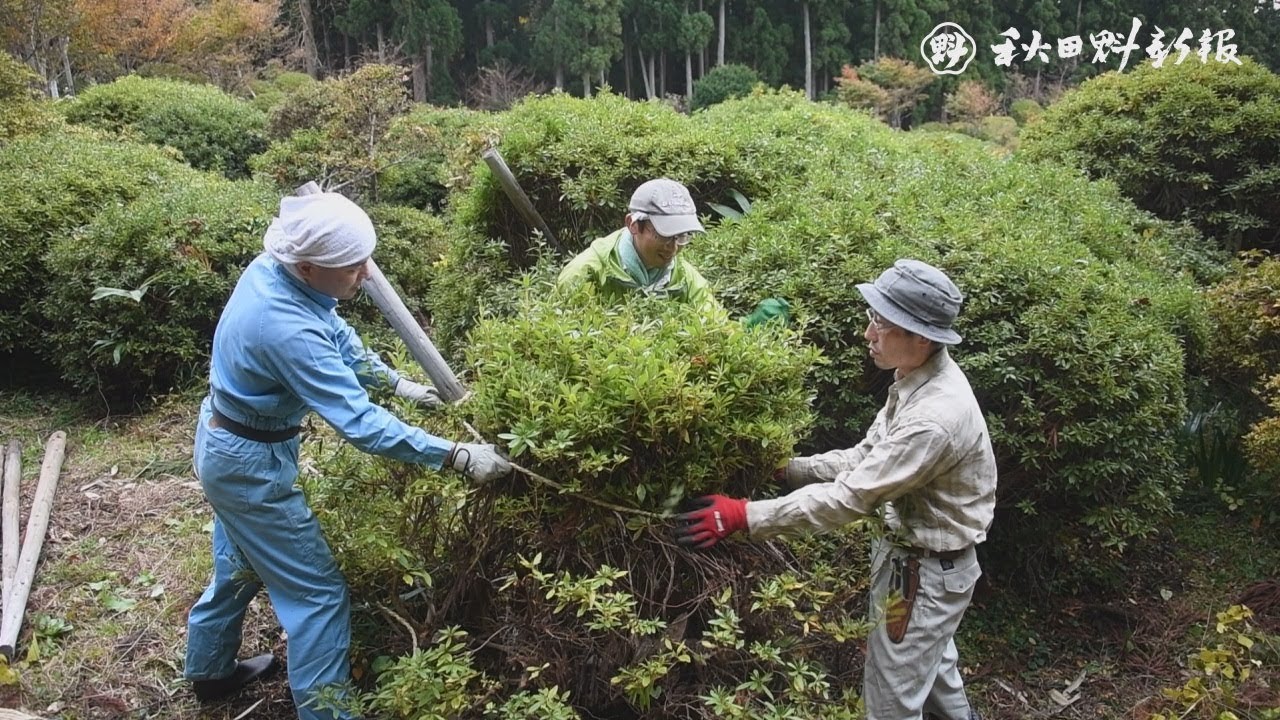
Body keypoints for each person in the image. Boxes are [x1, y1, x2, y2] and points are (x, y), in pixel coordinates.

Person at [184, 192, 510, 720]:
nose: (366, 274)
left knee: (237, 563)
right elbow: (359, 424)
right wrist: (455, 455)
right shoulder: (284, 328)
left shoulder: (280, 271)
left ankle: (210, 672)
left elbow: (334, 328)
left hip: (226, 440)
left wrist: (399, 384)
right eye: (353, 266)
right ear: (310, 266)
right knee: (317, 597)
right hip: (248, 465)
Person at [675, 259, 996, 720]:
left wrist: (745, 515)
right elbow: (867, 456)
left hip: (923, 579)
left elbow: (852, 497)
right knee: (935, 677)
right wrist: (791, 471)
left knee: (891, 704)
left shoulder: (934, 419)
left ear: (920, 337)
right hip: (922, 568)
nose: (868, 333)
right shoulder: (916, 380)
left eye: (881, 324)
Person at [556, 178, 790, 327]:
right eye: (665, 234)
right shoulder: (585, 273)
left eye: (681, 236)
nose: (673, 247)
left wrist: (749, 326)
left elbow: (714, 330)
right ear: (633, 225)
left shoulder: (685, 278)